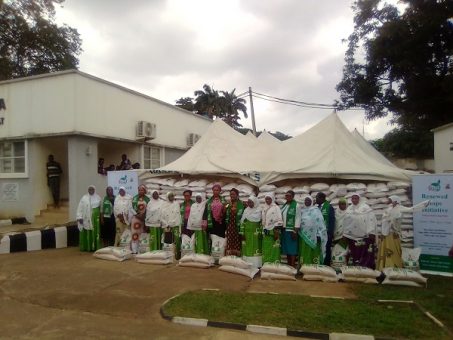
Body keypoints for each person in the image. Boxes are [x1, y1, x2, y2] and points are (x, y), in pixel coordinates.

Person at [377, 195, 430, 270]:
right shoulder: (389, 208)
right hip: (386, 233)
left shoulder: (400, 208)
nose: (388, 201)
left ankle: (393, 265)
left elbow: (412, 209)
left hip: (393, 233)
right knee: (386, 249)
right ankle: (385, 265)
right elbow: (385, 218)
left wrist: (423, 204)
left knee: (393, 249)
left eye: (390, 199)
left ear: (395, 200)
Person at [343, 193, 378, 269]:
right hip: (352, 236)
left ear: (359, 199)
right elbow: (346, 222)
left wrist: (371, 232)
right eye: (353, 198)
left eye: (356, 198)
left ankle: (365, 268)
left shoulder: (366, 208)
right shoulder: (349, 209)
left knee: (365, 252)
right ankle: (353, 268)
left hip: (364, 236)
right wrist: (345, 234)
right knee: (353, 252)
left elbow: (371, 220)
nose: (354, 200)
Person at [298, 195, 327, 266]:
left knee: (313, 252)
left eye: (309, 200)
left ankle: (314, 268)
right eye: (306, 200)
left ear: (312, 202)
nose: (307, 202)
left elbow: (320, 223)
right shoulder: (301, 211)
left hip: (314, 236)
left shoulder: (316, 211)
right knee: (304, 251)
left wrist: (319, 234)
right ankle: (304, 267)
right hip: (303, 236)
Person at [76, 185, 101, 252]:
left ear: (94, 190)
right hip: (86, 218)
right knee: (86, 231)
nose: (91, 191)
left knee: (95, 232)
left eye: (92, 189)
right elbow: (80, 208)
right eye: (89, 189)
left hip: (95, 219)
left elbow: (99, 208)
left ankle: (95, 247)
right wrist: (79, 217)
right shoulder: (84, 198)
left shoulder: (98, 197)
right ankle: (87, 247)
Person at [240, 195, 262, 266]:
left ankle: (256, 265)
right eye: (248, 202)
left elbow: (260, 221)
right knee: (247, 249)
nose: (249, 204)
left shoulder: (259, 210)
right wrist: (242, 233)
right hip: (246, 234)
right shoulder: (246, 210)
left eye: (251, 202)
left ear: (255, 202)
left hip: (255, 234)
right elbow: (242, 222)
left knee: (255, 249)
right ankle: (247, 264)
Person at [281, 190, 301, 268]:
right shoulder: (284, 205)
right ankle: (289, 266)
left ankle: (292, 267)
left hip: (291, 231)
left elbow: (298, 218)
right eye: (286, 195)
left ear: (293, 196)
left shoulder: (296, 205)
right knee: (287, 249)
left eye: (289, 195)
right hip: (284, 230)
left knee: (292, 249)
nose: (287, 197)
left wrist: (295, 231)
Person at [261, 193, 283, 263]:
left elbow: (279, 220)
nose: (267, 200)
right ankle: (266, 264)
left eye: (269, 199)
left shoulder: (276, 207)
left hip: (274, 230)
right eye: (266, 199)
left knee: (274, 248)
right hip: (266, 230)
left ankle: (274, 264)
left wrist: (276, 232)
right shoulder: (264, 207)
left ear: (272, 199)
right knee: (266, 247)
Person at [315, 192, 335, 266]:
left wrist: (330, 233)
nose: (316, 199)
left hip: (326, 233)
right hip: (317, 233)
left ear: (322, 198)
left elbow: (332, 221)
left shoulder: (329, 207)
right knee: (319, 249)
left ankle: (326, 265)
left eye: (317, 198)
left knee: (326, 249)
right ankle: (319, 264)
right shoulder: (316, 207)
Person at [161, 192, 181, 259]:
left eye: (172, 196)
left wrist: (174, 222)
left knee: (177, 240)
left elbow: (178, 214)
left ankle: (177, 255)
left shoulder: (176, 204)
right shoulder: (164, 205)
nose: (172, 198)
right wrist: (167, 224)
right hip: (167, 226)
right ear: (167, 197)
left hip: (175, 225)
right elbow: (162, 216)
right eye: (170, 196)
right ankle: (169, 255)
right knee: (168, 241)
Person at [225, 188, 245, 256]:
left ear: (237, 195)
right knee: (230, 239)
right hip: (230, 224)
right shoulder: (228, 203)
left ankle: (237, 255)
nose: (232, 196)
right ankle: (230, 255)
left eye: (233, 194)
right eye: (231, 194)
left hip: (237, 224)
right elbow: (224, 211)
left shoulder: (241, 203)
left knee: (237, 239)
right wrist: (228, 205)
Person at [130, 184, 150, 253]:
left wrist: (144, 216)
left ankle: (141, 250)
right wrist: (137, 215)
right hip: (136, 218)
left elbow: (149, 209)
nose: (140, 191)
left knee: (142, 233)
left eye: (142, 190)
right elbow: (131, 208)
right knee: (135, 233)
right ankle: (134, 250)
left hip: (144, 219)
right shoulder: (135, 198)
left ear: (144, 191)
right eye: (139, 190)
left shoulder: (147, 199)